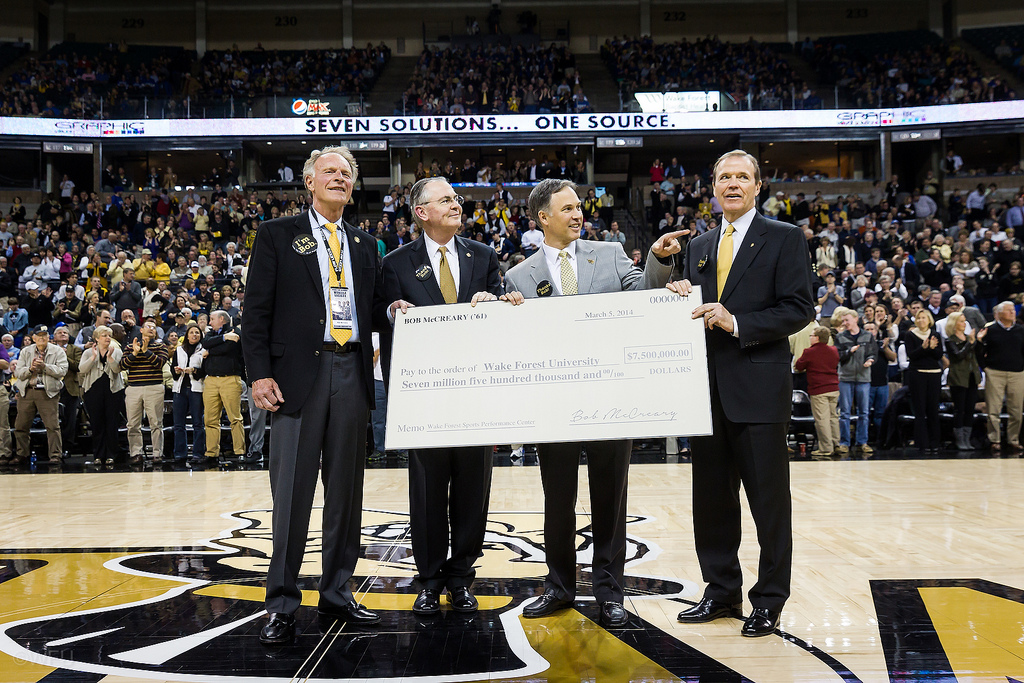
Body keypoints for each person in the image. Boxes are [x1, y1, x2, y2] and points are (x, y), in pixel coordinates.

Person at [504, 178, 683, 627]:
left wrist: (660, 261)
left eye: (579, 206)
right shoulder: (518, 276)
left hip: (610, 400)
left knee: (610, 500)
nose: (578, 214)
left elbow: (641, 288)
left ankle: (609, 591)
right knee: (557, 503)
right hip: (553, 406)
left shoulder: (610, 253)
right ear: (543, 217)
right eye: (567, 208)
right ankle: (559, 587)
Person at [667, 150, 814, 637]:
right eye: (724, 177)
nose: (733, 184)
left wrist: (739, 323)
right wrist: (673, 294)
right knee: (711, 502)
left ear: (757, 186)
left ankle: (770, 599)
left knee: (769, 503)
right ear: (712, 187)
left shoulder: (785, 238)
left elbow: (799, 309)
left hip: (758, 390)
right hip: (705, 392)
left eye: (742, 177)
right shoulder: (700, 244)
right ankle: (721, 590)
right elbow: (688, 308)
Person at [242, 146, 386, 644]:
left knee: (346, 494)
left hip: (351, 371)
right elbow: (255, 311)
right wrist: (258, 374)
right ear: (309, 181)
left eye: (347, 174)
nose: (340, 178)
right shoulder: (277, 234)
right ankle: (281, 601)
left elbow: (378, 308)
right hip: (297, 376)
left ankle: (337, 593)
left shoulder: (367, 244)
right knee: (291, 497)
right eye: (330, 171)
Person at [383, 177, 503, 616]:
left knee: (474, 492)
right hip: (425, 400)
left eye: (456, 198)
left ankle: (461, 578)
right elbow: (385, 314)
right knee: (428, 493)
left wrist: (495, 301)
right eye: (446, 199)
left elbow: (502, 316)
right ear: (421, 212)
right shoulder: (396, 262)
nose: (456, 203)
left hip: (476, 394)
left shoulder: (484, 256)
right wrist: (394, 313)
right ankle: (430, 579)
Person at [12, 325, 68, 465]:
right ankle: (21, 454)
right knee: (21, 426)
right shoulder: (25, 351)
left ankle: (55, 455)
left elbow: (62, 371)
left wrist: (45, 367)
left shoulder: (58, 351)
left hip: (47, 393)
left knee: (52, 426)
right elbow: (18, 373)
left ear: (49, 337)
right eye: (39, 335)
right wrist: (30, 369)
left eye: (45, 335)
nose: (42, 338)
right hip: (28, 391)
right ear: (33, 338)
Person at [120, 319, 170, 465]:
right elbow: (122, 365)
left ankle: (157, 454)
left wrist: (146, 351)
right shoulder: (130, 346)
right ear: (141, 330)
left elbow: (159, 363)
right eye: (148, 326)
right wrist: (134, 353)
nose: (151, 329)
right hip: (134, 388)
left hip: (154, 387)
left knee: (156, 423)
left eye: (154, 328)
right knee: (133, 424)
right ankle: (136, 453)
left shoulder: (161, 346)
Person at [977, 301, 1024, 453]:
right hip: (995, 372)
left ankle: (1013, 439)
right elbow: (979, 350)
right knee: (993, 409)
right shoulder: (990, 330)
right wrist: (985, 368)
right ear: (999, 314)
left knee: (1016, 410)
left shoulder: (1020, 330)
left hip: (1017, 373)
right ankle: (994, 440)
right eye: (1009, 310)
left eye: (1013, 310)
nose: (1013, 312)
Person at [201, 310, 246, 465]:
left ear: (222, 319)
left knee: (235, 418)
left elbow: (229, 349)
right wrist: (224, 338)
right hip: (211, 380)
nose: (209, 322)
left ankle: (239, 452)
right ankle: (211, 453)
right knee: (210, 419)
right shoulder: (210, 334)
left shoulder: (236, 331)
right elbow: (205, 343)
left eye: (212, 319)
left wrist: (210, 351)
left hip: (230, 379)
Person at [79, 325, 125, 466]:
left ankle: (111, 454)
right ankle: (98, 455)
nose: (107, 338)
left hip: (113, 390)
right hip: (93, 390)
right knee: (97, 424)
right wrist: (93, 357)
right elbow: (82, 369)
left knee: (111, 423)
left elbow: (117, 369)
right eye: (104, 335)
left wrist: (110, 358)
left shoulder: (116, 351)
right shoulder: (88, 352)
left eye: (109, 335)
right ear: (97, 338)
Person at [835, 308, 877, 456]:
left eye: (847, 320)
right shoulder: (840, 337)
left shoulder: (867, 336)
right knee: (845, 412)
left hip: (863, 377)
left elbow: (873, 353)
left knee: (864, 412)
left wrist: (870, 360)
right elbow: (838, 356)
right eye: (843, 321)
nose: (844, 323)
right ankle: (844, 443)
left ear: (855, 319)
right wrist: (849, 352)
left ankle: (862, 442)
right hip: (845, 378)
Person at [902, 310, 944, 454]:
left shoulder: (935, 335)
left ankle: (935, 443)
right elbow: (912, 356)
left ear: (929, 319)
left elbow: (939, 355)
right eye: (918, 318)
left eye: (923, 318)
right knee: (919, 410)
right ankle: (922, 443)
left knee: (933, 410)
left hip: (934, 374)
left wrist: (932, 349)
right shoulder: (910, 335)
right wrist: (924, 348)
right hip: (917, 374)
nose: (921, 320)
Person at [794, 326, 840, 457]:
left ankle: (826, 448)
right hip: (834, 388)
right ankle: (836, 444)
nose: (810, 338)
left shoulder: (810, 352)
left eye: (811, 336)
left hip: (819, 389)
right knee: (833, 417)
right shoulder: (834, 350)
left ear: (817, 338)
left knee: (822, 419)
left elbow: (799, 366)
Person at [945, 311, 980, 450]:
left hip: (972, 376)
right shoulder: (950, 340)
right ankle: (959, 439)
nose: (964, 323)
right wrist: (969, 343)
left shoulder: (968, 337)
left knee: (970, 408)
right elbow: (958, 356)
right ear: (954, 324)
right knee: (960, 409)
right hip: (958, 377)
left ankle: (967, 438)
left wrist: (979, 341)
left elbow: (976, 354)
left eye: (964, 320)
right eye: (961, 321)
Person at [171, 323, 206, 463]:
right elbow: (172, 369)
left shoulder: (203, 350)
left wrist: (194, 370)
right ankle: (180, 453)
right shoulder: (179, 350)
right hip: (179, 388)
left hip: (196, 389)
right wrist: (177, 371)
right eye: (192, 332)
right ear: (187, 335)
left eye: (197, 332)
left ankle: (198, 453)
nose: (194, 335)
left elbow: (205, 370)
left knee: (198, 423)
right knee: (179, 424)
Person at [52, 326, 83, 455]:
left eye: (65, 332)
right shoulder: (49, 349)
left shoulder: (74, 349)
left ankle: (68, 446)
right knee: (54, 419)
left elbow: (78, 366)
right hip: (53, 387)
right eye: (60, 333)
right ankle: (55, 446)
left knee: (70, 419)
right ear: (54, 336)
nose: (63, 334)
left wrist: (64, 355)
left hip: (70, 387)